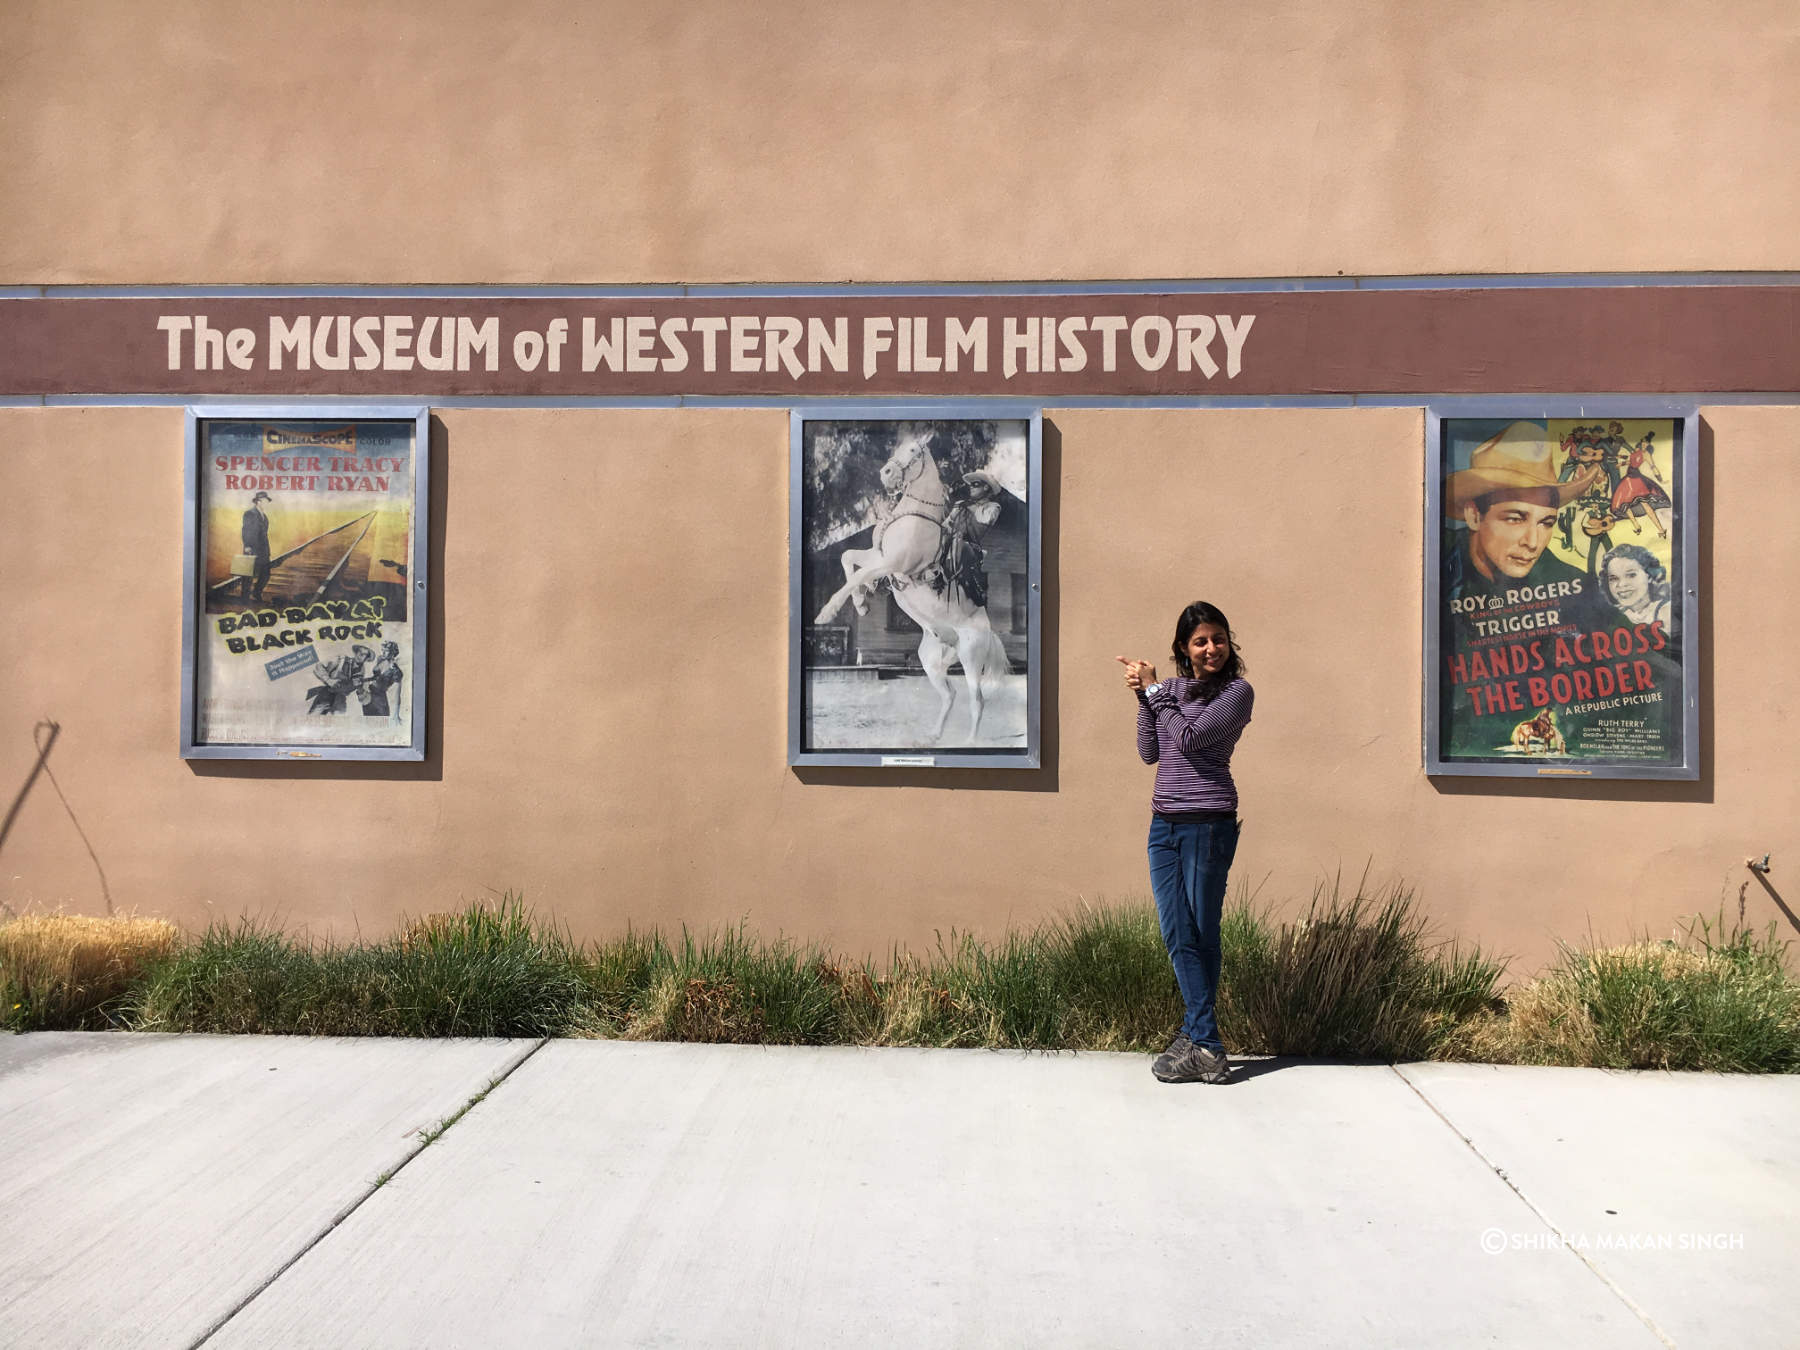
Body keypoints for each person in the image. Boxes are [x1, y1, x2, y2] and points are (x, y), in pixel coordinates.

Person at [1115, 602, 1254, 1086]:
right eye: (1200, 641)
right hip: (1164, 826)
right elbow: (1150, 751)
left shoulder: (1237, 693)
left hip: (1208, 825)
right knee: (1178, 933)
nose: (1211, 648)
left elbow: (1192, 740)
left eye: (1218, 638)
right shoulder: (1169, 692)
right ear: (1183, 649)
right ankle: (1200, 1038)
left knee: (1201, 933)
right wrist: (1144, 699)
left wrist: (1154, 692)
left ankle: (1204, 1044)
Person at [1599, 543, 1674, 632]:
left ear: (1649, 575)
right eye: (1614, 578)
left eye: (1631, 575)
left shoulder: (1666, 612)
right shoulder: (1615, 616)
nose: (1621, 584)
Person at [240, 490, 273, 603]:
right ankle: (244, 597)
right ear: (258, 502)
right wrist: (247, 546)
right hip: (252, 548)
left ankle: (256, 592)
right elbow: (246, 531)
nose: (267, 503)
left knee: (266, 574)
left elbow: (264, 534)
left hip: (263, 550)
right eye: (265, 501)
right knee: (248, 574)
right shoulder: (250, 513)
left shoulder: (265, 516)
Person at [359, 640, 404, 718]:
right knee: (367, 721)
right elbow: (375, 677)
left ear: (393, 653)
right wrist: (364, 681)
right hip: (368, 696)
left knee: (380, 722)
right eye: (382, 650)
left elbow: (397, 694)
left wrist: (396, 714)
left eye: (386, 651)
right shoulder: (380, 659)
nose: (383, 653)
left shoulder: (396, 671)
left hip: (380, 700)